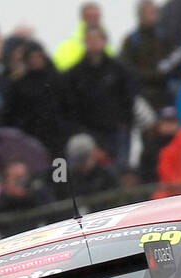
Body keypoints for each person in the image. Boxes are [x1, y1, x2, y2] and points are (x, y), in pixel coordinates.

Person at [64, 25, 136, 167]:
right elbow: (71, 107)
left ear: (105, 41)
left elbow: (129, 99)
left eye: (97, 39)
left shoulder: (119, 69)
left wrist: (125, 124)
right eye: (90, 39)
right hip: (89, 133)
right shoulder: (74, 75)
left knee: (120, 170)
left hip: (117, 132)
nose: (94, 43)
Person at [4, 43, 67, 157]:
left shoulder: (58, 81)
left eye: (38, 57)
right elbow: (10, 113)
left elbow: (68, 109)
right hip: (29, 139)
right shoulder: (19, 84)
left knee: (59, 172)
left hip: (56, 138)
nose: (34, 61)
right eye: (31, 57)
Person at [121, 0, 171, 110]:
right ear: (140, 15)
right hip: (142, 94)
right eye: (149, 12)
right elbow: (127, 68)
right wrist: (152, 75)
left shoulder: (164, 38)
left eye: (154, 12)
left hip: (165, 93)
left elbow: (173, 61)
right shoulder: (131, 40)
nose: (153, 15)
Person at [54, 3, 115, 71]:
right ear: (82, 18)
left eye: (96, 17)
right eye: (89, 17)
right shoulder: (67, 47)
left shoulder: (108, 47)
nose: (93, 21)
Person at [138, 106, 180, 184]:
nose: (169, 125)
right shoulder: (150, 147)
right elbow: (145, 173)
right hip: (157, 189)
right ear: (159, 124)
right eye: (166, 121)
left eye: (172, 121)